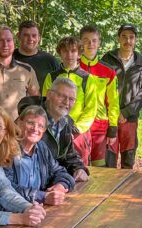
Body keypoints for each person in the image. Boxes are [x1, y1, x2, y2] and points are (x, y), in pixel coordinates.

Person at [20, 77, 90, 182]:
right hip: (30, 184)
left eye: (71, 99)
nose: (66, 102)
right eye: (61, 96)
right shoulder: (32, 120)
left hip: (54, 181)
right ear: (49, 94)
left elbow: (69, 154)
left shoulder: (66, 122)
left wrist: (79, 168)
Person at [42, 36, 98, 165]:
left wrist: (77, 128)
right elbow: (46, 103)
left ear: (79, 53)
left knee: (78, 166)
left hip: (78, 132)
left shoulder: (87, 78)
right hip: (55, 128)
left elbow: (91, 108)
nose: (69, 55)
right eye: (65, 51)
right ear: (60, 53)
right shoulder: (51, 77)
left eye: (73, 51)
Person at [4, 105, 76, 204]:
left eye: (40, 126)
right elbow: (5, 187)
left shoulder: (41, 147)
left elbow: (60, 171)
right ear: (18, 123)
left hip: (40, 209)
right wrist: (42, 196)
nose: (35, 129)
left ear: (44, 130)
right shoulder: (6, 148)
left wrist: (60, 186)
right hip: (12, 211)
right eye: (30, 123)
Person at [101, 24, 142, 169]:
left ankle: (124, 189)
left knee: (128, 157)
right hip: (110, 117)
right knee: (109, 157)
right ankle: (107, 189)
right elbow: (101, 88)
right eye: (124, 36)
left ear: (135, 40)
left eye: (131, 37)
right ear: (118, 38)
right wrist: (113, 112)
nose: (128, 40)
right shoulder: (108, 59)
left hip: (130, 117)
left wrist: (127, 112)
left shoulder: (141, 62)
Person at [79, 25, 120, 167]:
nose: (90, 44)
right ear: (80, 43)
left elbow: (113, 102)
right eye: (86, 40)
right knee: (79, 166)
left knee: (99, 167)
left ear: (99, 43)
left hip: (100, 126)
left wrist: (113, 128)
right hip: (78, 125)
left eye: (94, 40)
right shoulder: (73, 67)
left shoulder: (108, 71)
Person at [13, 20, 61, 88]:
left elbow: (61, 87)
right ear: (18, 36)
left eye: (34, 35)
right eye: (26, 35)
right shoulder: (8, 59)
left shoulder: (50, 61)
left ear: (39, 37)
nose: (30, 39)